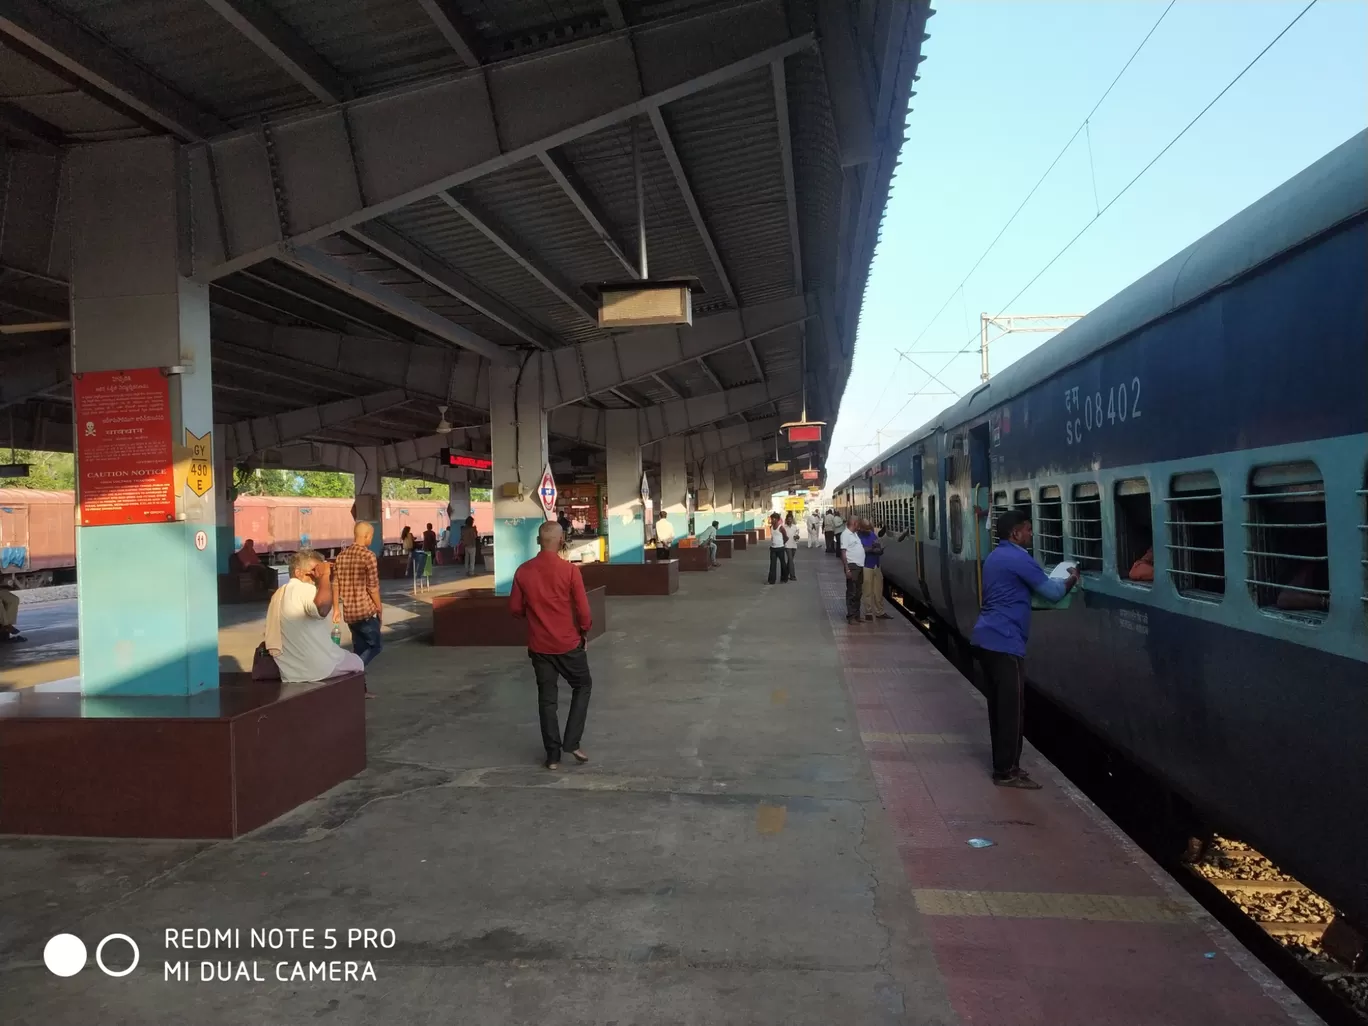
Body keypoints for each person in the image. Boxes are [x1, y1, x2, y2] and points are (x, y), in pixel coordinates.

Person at [970, 510, 1080, 789]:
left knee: (999, 708)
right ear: (1015, 533)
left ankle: (1004, 766)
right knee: (1012, 709)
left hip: (986, 637)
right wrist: (1071, 579)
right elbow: (1053, 592)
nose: (1031, 534)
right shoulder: (1019, 557)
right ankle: (1006, 771)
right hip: (1005, 641)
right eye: (1028, 530)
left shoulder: (996, 556)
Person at [509, 521, 594, 771]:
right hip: (568, 643)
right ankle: (572, 742)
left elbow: (514, 608)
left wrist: (535, 613)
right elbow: (583, 610)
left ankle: (553, 756)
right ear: (561, 540)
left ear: (538, 541)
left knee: (547, 699)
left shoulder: (523, 571)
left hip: (539, 646)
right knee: (583, 685)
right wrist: (584, 632)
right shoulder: (569, 571)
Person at [266, 549, 365, 685]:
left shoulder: (279, 593)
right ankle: (359, 695)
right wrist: (325, 576)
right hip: (317, 669)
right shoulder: (304, 589)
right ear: (298, 573)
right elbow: (322, 608)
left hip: (289, 672)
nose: (317, 575)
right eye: (315, 570)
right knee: (357, 662)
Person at [333, 522, 384, 685]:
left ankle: (360, 689)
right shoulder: (368, 556)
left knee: (359, 650)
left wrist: (336, 609)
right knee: (375, 646)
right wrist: (379, 606)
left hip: (350, 614)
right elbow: (372, 586)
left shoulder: (341, 556)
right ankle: (352, 672)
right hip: (366, 612)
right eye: (371, 536)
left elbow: (335, 584)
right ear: (367, 536)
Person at [860, 521, 891, 620]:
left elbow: (877, 545)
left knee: (878, 590)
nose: (869, 530)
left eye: (870, 528)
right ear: (861, 528)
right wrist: (871, 549)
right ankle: (868, 612)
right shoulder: (857, 537)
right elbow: (860, 549)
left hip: (876, 565)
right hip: (866, 565)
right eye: (867, 528)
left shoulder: (872, 534)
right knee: (867, 590)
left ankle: (880, 611)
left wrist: (879, 550)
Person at [840, 517, 866, 623]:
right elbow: (843, 552)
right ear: (854, 523)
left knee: (858, 592)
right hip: (852, 566)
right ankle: (851, 616)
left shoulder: (855, 534)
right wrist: (847, 568)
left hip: (859, 566)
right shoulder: (845, 535)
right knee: (851, 592)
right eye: (858, 524)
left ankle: (857, 615)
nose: (859, 526)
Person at [766, 512, 789, 584]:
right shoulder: (771, 527)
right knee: (772, 565)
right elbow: (773, 537)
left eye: (774, 519)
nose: (772, 520)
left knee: (783, 564)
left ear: (778, 519)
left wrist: (782, 544)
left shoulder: (781, 527)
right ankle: (771, 580)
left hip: (780, 548)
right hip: (773, 548)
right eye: (772, 519)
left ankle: (784, 578)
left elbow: (786, 537)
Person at [783, 511, 799, 581]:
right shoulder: (784, 527)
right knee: (790, 560)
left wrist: (797, 537)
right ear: (786, 520)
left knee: (790, 561)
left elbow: (797, 536)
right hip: (787, 546)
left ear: (792, 519)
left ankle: (785, 574)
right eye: (788, 519)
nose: (789, 520)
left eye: (790, 519)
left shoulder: (795, 527)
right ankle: (793, 576)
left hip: (794, 545)